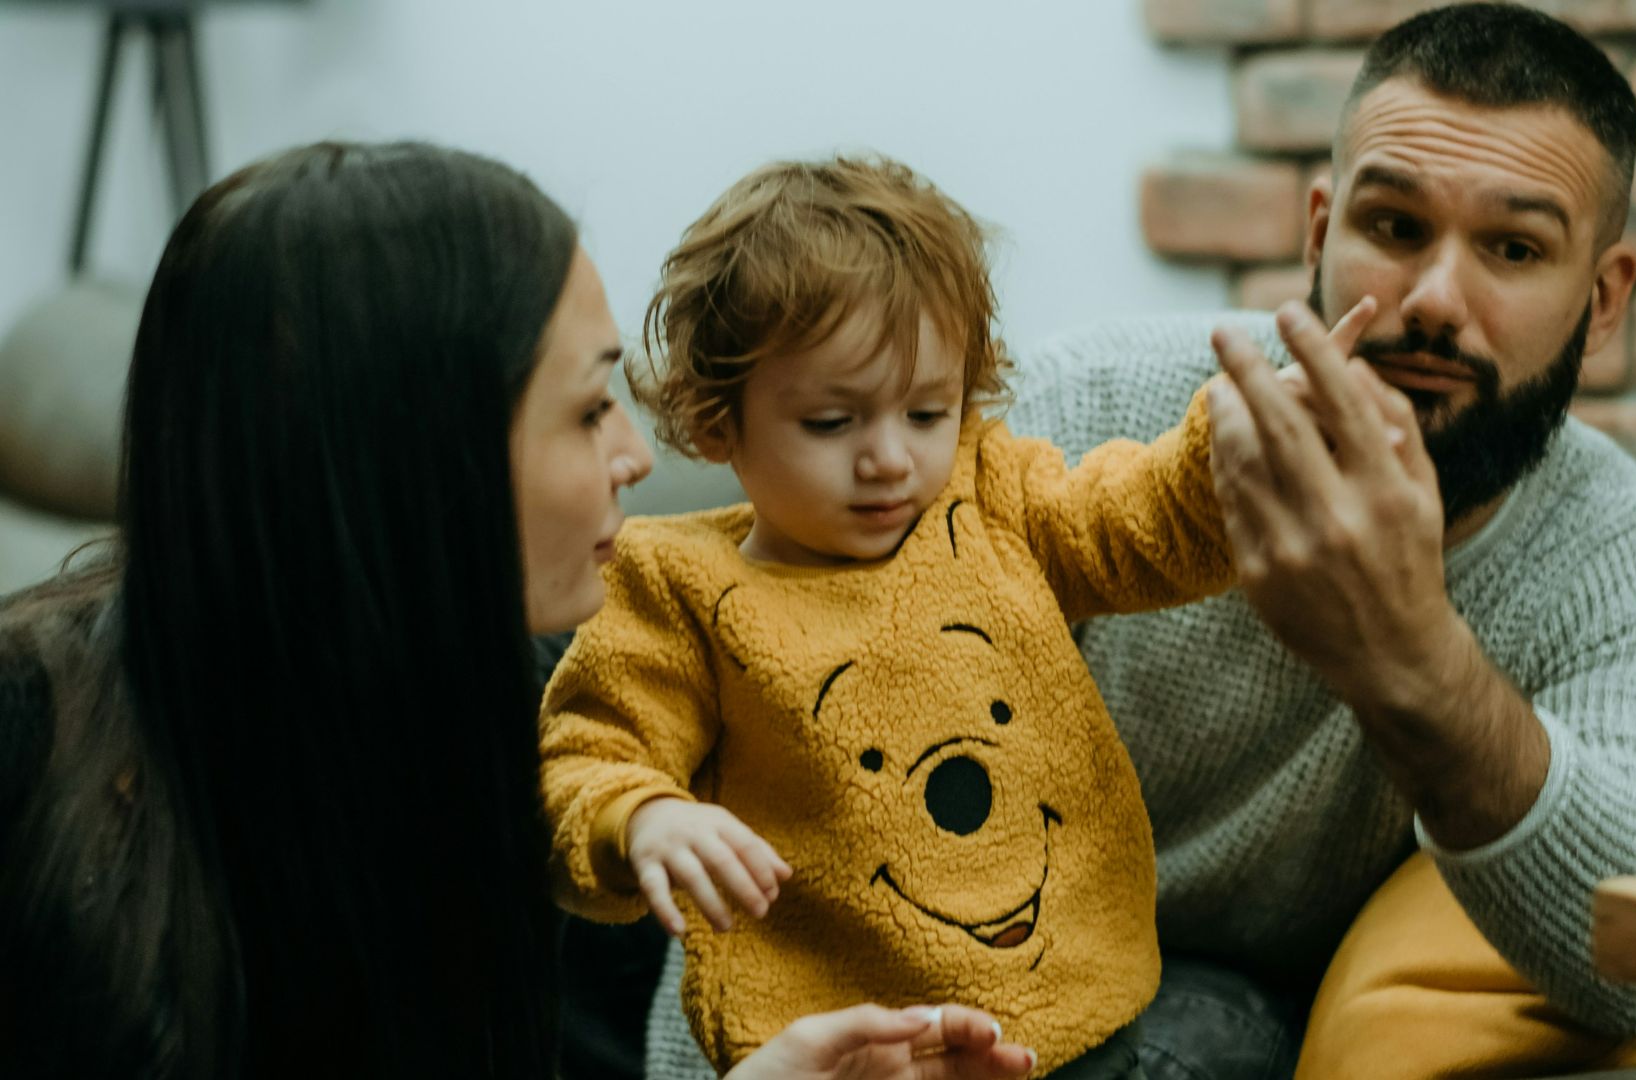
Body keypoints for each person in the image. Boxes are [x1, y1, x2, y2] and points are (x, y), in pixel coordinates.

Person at [0, 140, 1034, 1080]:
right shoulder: (32, 753)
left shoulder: (543, 722)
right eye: (589, 410)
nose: (635, 455)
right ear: (415, 457)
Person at [999, 3, 1636, 1075]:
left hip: (1218, 1015)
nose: (1433, 302)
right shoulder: (1088, 407)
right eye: (1396, 230)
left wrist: (1408, 659)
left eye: (1513, 247)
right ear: (1321, 235)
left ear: (1601, 301)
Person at [540, 155, 1378, 1079]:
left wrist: (1224, 459)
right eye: (832, 423)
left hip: (1085, 1005)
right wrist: (643, 818)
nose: (890, 459)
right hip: (846, 1048)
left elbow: (1128, 522)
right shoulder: (674, 588)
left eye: (928, 411)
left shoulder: (988, 495)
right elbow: (587, 755)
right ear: (715, 422)